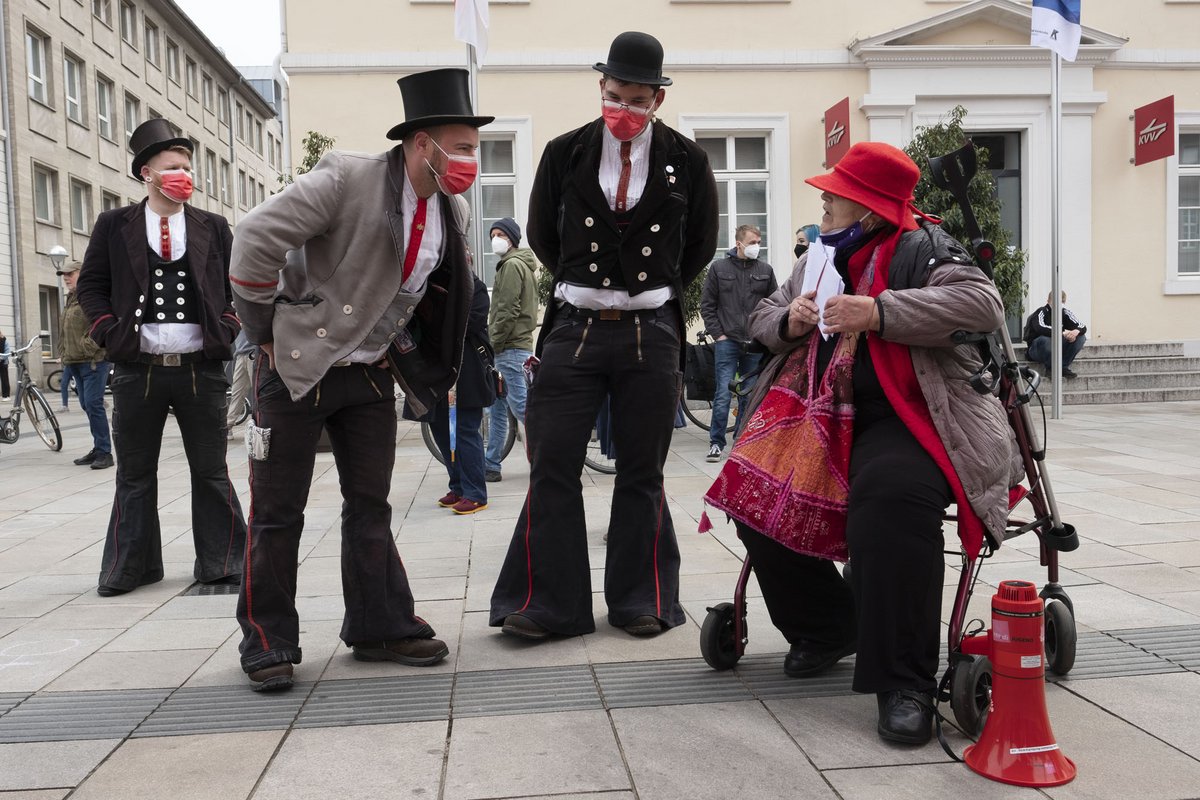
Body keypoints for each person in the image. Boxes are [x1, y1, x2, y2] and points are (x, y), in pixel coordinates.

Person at [703, 142, 1017, 746]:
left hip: (910, 414)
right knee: (752, 489)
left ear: (869, 205)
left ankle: (905, 681)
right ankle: (828, 628)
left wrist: (878, 312)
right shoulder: (819, 254)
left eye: (835, 192)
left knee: (891, 498)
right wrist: (791, 320)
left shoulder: (925, 248)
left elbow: (983, 304)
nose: (822, 198)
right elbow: (762, 320)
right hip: (817, 412)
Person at [228, 68, 493, 691]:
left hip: (371, 374)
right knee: (276, 513)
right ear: (420, 144)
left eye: (475, 147)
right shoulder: (347, 177)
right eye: (460, 145)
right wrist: (264, 330)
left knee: (370, 506)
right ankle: (267, 640)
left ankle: (379, 624)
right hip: (294, 369)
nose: (469, 160)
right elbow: (254, 240)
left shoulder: (448, 206)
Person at [489, 31, 718, 641]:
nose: (624, 110)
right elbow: (542, 230)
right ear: (601, 89)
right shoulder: (566, 152)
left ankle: (641, 598)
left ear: (658, 100)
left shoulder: (687, 161)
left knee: (643, 467)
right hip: (575, 325)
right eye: (615, 96)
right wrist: (590, 281)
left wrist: (652, 286)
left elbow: (699, 243)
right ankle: (548, 604)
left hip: (652, 328)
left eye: (637, 100)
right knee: (554, 460)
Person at [77, 119, 247, 598]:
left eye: (187, 168)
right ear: (146, 173)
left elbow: (238, 282)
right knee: (134, 473)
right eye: (173, 167)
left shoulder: (212, 226)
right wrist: (107, 331)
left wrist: (229, 325)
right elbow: (90, 285)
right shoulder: (115, 225)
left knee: (211, 470)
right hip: (137, 370)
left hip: (201, 369)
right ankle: (131, 567)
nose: (184, 176)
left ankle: (223, 561)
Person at [699, 224, 778, 462]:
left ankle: (742, 441)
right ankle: (716, 443)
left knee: (749, 394)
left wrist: (765, 333)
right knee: (723, 392)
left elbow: (774, 304)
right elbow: (708, 304)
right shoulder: (719, 268)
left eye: (759, 241)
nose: (757, 246)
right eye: (753, 242)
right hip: (728, 341)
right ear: (739, 243)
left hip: (754, 342)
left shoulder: (765, 269)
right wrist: (718, 334)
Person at [429, 275, 496, 514]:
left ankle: (475, 493)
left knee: (465, 430)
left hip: (467, 371)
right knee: (440, 429)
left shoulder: (473, 286)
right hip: (436, 370)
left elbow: (471, 324)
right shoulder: (430, 285)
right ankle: (457, 486)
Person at [484, 217, 538, 483]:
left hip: (510, 346)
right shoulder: (518, 264)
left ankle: (547, 459)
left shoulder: (512, 266)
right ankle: (491, 463)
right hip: (515, 345)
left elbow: (507, 310)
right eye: (492, 234)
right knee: (497, 407)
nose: (495, 239)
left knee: (523, 409)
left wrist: (494, 342)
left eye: (500, 234)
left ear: (512, 239)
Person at [56, 262, 114, 469]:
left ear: (83, 272)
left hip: (93, 362)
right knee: (86, 405)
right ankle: (98, 448)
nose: (66, 277)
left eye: (70, 273)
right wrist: (63, 353)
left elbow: (104, 323)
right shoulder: (71, 299)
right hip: (74, 362)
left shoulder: (93, 295)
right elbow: (65, 330)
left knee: (93, 404)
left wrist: (88, 347)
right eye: (64, 275)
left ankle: (105, 453)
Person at [1024, 291, 1087, 378]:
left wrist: (1075, 332)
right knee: (1045, 339)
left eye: (1061, 301)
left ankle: (1063, 366)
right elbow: (1039, 328)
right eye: (1054, 301)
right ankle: (1051, 368)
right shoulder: (1041, 311)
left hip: (1056, 348)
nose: (1058, 304)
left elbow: (1082, 326)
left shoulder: (1064, 313)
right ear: (1048, 301)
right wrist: (1062, 333)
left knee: (1081, 337)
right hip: (1036, 349)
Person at [226, 330, 255, 437]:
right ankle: (228, 426)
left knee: (258, 392)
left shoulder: (250, 313)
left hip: (254, 353)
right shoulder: (236, 313)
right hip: (240, 354)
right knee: (237, 392)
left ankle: (260, 425)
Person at [0, 330, 9, 399]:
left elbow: (7, 352)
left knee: (4, 379)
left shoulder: (4, 340)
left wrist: (1, 358)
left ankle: (6, 396)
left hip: (3, 362)